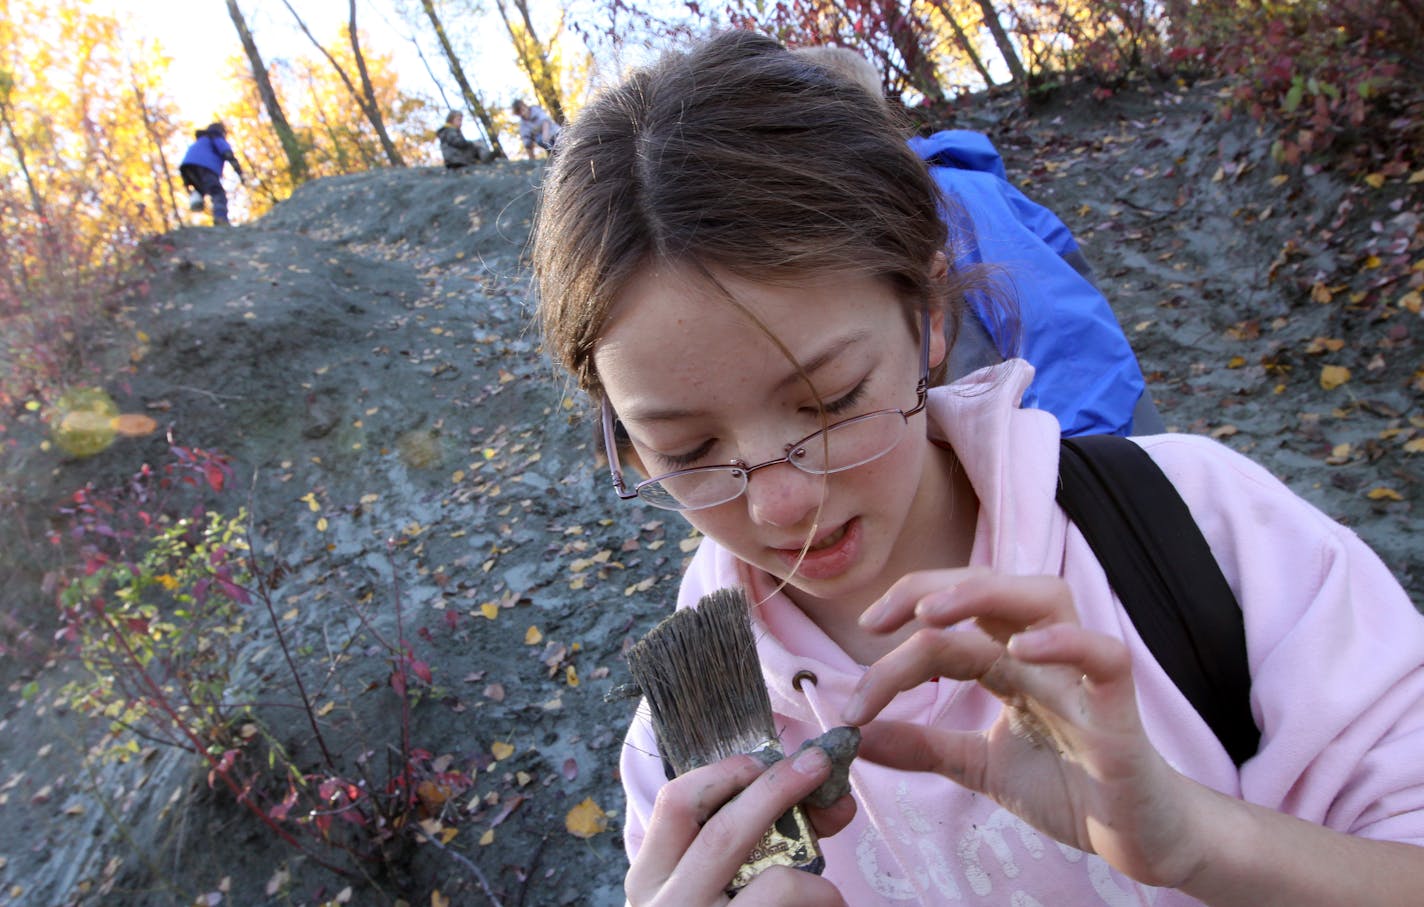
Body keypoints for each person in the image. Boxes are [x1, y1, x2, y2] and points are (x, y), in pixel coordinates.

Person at [532, 31, 1424, 906]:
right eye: (686, 452)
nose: (781, 502)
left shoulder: (1203, 527)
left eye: (834, 398)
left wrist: (1197, 842)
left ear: (929, 317)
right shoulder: (682, 752)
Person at [793, 44, 1162, 436]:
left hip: (1065, 439)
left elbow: (1013, 335)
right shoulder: (982, 186)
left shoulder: (910, 209)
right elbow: (1076, 279)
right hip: (1119, 400)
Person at [179, 122, 244, 226]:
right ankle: (221, 219)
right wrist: (240, 173)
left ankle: (197, 199)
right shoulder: (216, 137)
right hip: (205, 166)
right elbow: (227, 153)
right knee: (217, 192)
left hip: (187, 167)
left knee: (201, 189)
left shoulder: (201, 140)